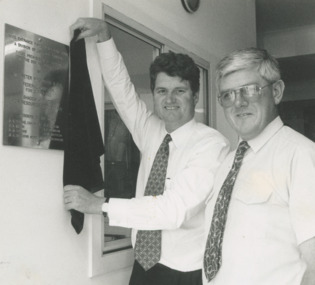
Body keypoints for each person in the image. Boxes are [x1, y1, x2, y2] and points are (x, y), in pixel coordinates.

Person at [63, 18, 229, 285]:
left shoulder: (212, 145)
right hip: (142, 267)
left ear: (195, 97)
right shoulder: (151, 131)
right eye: (162, 91)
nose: (170, 99)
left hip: (183, 274)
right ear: (153, 94)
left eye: (180, 91)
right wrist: (105, 38)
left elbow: (173, 210)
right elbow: (122, 91)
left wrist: (99, 206)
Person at [203, 47, 315, 284]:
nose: (238, 102)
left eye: (251, 90)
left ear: (276, 92)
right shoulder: (226, 163)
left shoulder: (301, 156)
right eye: (228, 94)